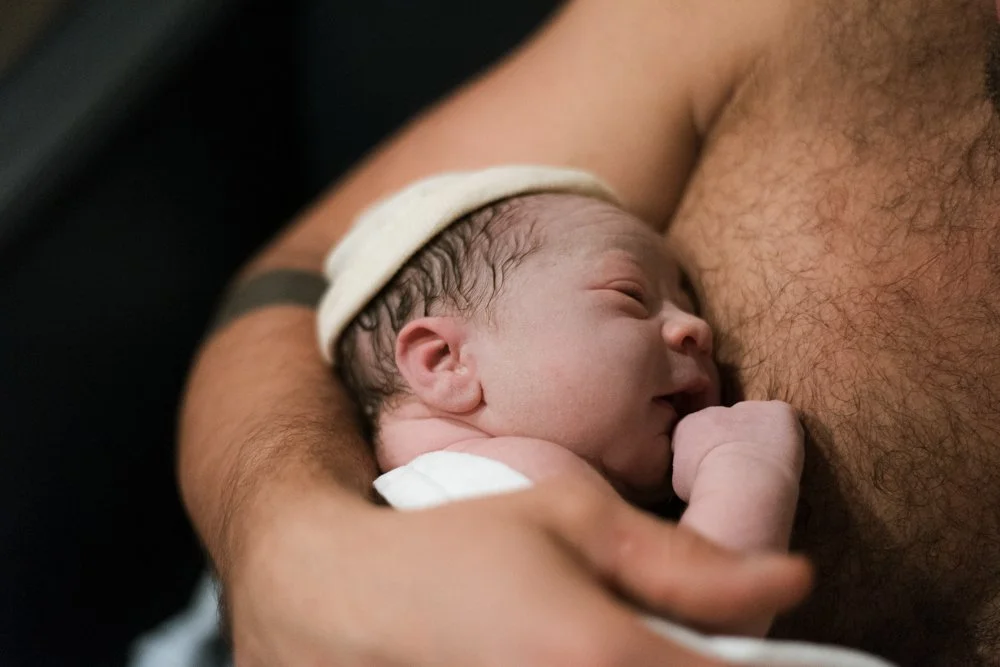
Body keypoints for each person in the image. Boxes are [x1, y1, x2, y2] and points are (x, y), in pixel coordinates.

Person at [178, 1, 1000, 664]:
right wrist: (286, 550)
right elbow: (700, 611)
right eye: (630, 294)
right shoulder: (517, 476)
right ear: (442, 359)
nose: (697, 329)